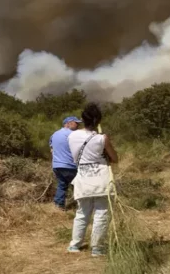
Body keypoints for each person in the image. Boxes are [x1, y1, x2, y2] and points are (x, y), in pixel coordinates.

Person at [67, 103, 118, 257]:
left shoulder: (72, 136)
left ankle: (75, 245)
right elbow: (114, 158)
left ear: (83, 119)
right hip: (101, 179)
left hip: (82, 179)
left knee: (82, 213)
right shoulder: (102, 138)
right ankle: (97, 248)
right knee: (101, 214)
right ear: (98, 121)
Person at [49, 116, 82, 210]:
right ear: (68, 123)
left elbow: (51, 149)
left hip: (57, 165)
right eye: (76, 123)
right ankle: (81, 206)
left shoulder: (54, 134)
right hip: (70, 165)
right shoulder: (73, 134)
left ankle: (59, 206)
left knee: (62, 185)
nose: (78, 125)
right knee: (78, 185)